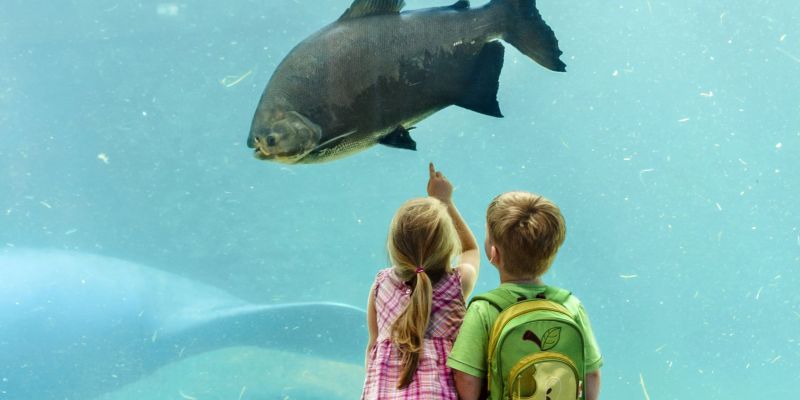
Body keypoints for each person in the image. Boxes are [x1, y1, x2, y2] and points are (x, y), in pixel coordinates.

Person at [447, 191, 603, 400]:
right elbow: (591, 374)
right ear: (552, 253)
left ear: (494, 253)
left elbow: (466, 379)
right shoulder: (571, 305)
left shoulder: (484, 309)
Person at [360, 163, 480, 400]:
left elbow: (373, 348)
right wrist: (444, 201)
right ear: (448, 246)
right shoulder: (457, 283)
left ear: (394, 248)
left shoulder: (380, 286)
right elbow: (471, 249)